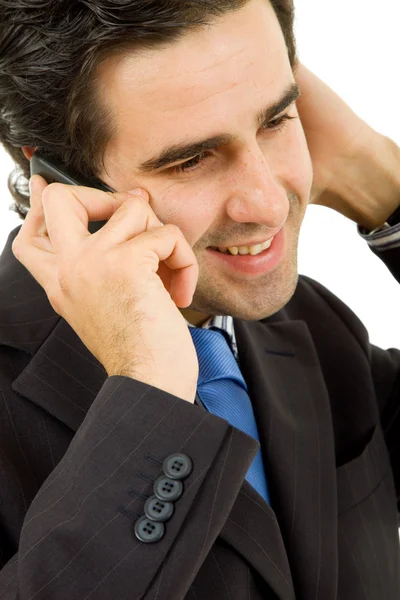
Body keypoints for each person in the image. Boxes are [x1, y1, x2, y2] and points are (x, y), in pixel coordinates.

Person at [0, 0, 399, 598]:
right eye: (191, 159)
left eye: (276, 119)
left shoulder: (312, 327)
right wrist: (149, 396)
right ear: (58, 182)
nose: (266, 203)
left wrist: (387, 191)